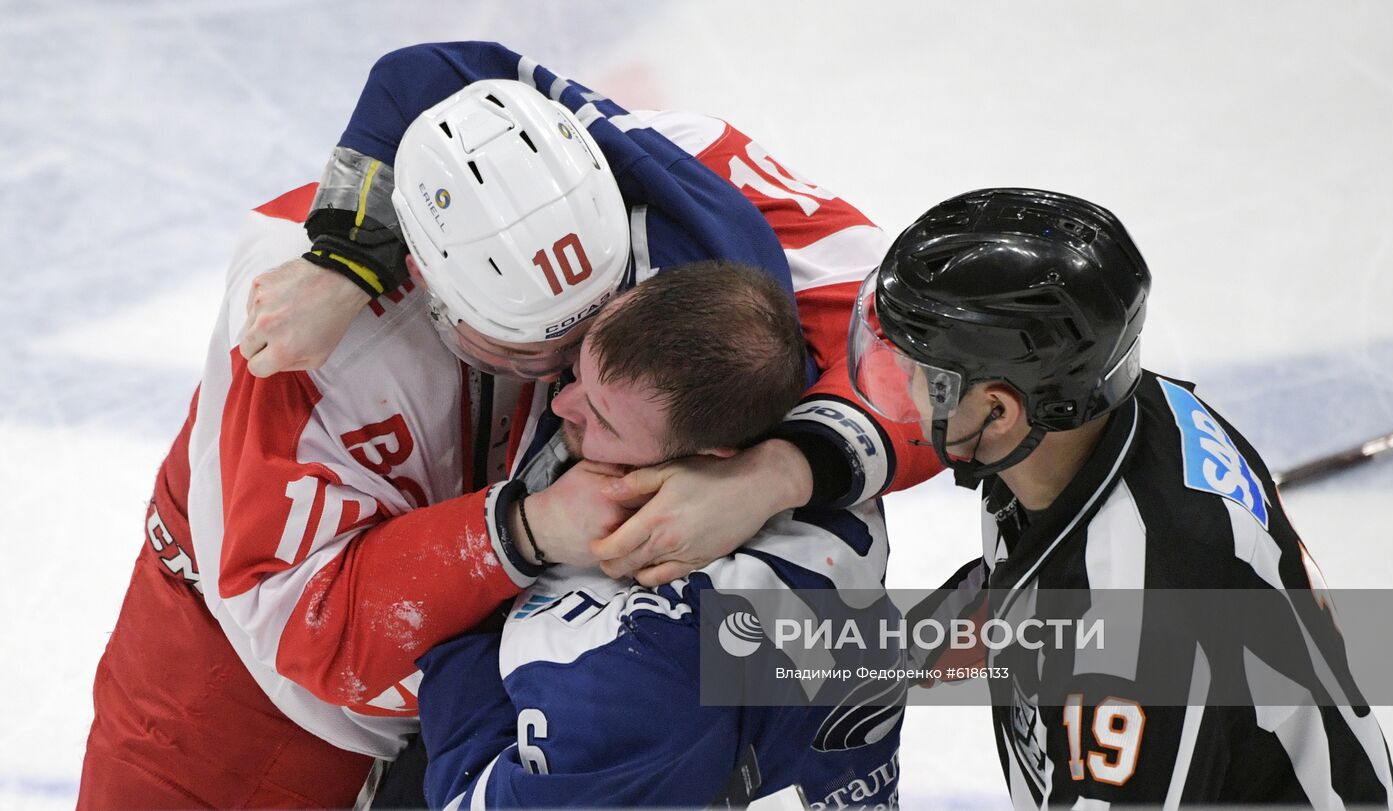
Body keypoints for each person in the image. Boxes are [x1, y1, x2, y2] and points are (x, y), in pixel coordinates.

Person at [77, 51, 934, 808]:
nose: (566, 382)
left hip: (533, 695)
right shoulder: (297, 344)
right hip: (249, 688)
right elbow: (294, 615)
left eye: (602, 317)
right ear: (432, 291)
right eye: (540, 350)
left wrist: (778, 473)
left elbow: (927, 341)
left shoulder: (662, 180)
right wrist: (520, 528)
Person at [236, 41, 942, 586]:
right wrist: (347, 257)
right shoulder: (593, 163)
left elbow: (954, 387)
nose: (562, 389)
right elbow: (431, 74)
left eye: (563, 352)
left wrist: (774, 476)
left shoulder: (739, 334)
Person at [849, 187, 1393, 806]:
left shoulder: (1130, 637)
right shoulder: (1101, 423)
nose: (906, 384)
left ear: (997, 409)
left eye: (921, 369)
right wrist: (975, 615)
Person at [412, 264, 900, 809]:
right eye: (577, 370)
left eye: (599, 419)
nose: (558, 406)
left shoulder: (635, 675)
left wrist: (465, 617)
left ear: (715, 454)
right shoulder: (826, 487)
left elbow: (468, 797)